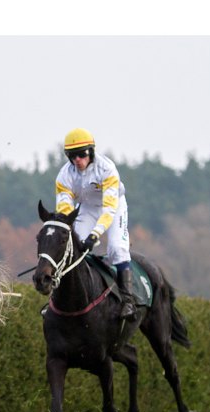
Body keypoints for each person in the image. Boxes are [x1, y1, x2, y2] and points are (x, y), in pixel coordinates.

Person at [54, 127, 136, 321]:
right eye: (72, 156)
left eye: (82, 155)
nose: (77, 161)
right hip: (88, 208)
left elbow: (109, 209)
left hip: (114, 206)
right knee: (74, 247)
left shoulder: (107, 169)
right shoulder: (64, 176)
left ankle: (128, 301)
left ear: (91, 151)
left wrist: (95, 234)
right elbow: (65, 211)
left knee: (117, 248)